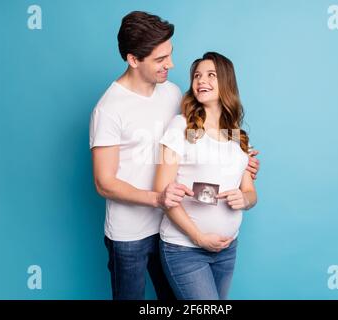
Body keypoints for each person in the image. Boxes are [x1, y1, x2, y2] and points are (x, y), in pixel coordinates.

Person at [89, 11, 260, 300]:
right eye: (160, 59)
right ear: (133, 60)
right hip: (131, 233)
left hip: (172, 226)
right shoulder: (108, 109)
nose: (171, 64)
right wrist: (157, 198)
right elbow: (104, 183)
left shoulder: (170, 93)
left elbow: (202, 133)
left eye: (170, 54)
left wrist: (240, 159)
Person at [154, 52, 258, 300]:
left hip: (227, 249)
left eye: (211, 75)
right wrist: (199, 237)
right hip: (185, 248)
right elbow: (162, 190)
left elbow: (251, 193)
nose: (201, 81)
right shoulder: (182, 127)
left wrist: (245, 200)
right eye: (197, 76)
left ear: (226, 82)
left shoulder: (236, 136)